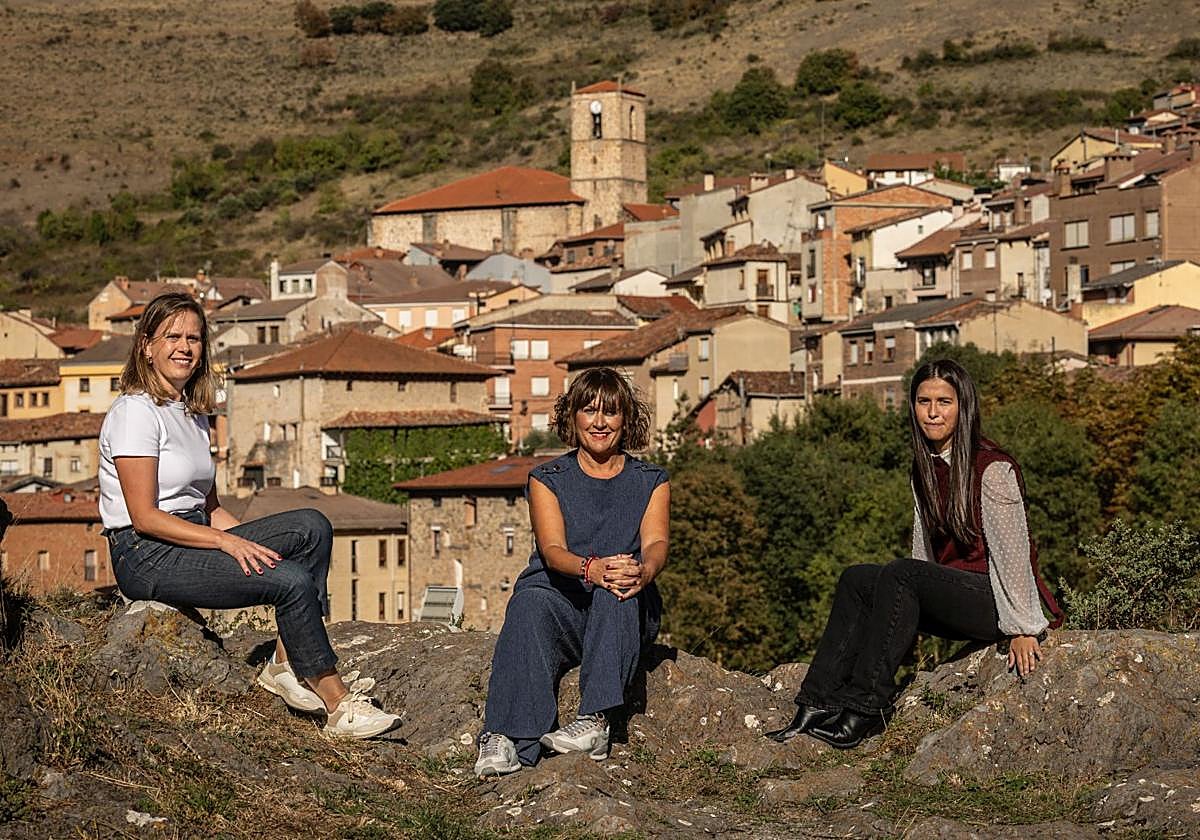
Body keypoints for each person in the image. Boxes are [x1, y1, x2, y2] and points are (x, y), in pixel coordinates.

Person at [98, 292, 399, 740]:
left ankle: (283, 663)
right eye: (172, 337)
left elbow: (212, 509)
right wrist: (227, 544)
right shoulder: (133, 413)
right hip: (145, 555)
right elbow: (144, 517)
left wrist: (247, 540)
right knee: (289, 581)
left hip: (192, 537)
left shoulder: (192, 414)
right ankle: (338, 706)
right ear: (146, 344)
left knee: (311, 527)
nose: (185, 347)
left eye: (194, 339)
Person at [764, 358, 1063, 749]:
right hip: (958, 595)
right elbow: (924, 557)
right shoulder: (923, 467)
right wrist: (903, 612)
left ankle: (866, 708)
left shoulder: (992, 468)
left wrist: (1022, 628)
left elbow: (1014, 554)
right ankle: (817, 702)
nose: (933, 412)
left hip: (999, 598)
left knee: (901, 573)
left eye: (944, 402)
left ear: (964, 406)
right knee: (857, 579)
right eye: (924, 402)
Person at [474, 368, 670, 777]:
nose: (599, 422)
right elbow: (552, 550)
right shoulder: (547, 478)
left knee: (617, 586)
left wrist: (643, 572)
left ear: (627, 419)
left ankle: (595, 722)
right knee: (528, 602)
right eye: (589, 410)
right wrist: (591, 568)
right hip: (561, 601)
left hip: (622, 606)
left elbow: (656, 544)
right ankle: (507, 738)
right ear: (573, 417)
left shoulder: (651, 479)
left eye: (611, 413)